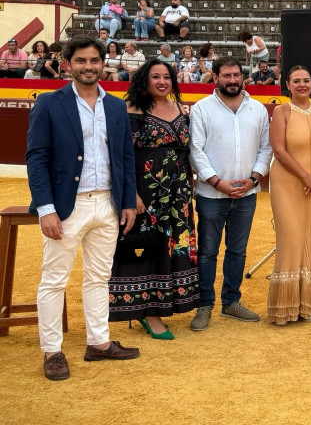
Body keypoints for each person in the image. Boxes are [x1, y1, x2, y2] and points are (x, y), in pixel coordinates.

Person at [26, 35, 140, 381]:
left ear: (103, 64)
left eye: (94, 60)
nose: (88, 67)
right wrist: (45, 208)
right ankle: (52, 350)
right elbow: (37, 157)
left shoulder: (116, 106)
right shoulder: (49, 103)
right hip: (66, 207)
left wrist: (127, 202)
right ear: (67, 64)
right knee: (54, 280)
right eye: (81, 61)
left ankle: (99, 343)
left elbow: (124, 157)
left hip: (106, 204)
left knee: (98, 278)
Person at [108, 60, 200, 339]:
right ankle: (149, 313)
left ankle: (163, 304)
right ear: (144, 82)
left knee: (173, 248)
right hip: (146, 194)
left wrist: (189, 181)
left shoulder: (179, 109)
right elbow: (123, 158)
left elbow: (184, 150)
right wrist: (131, 194)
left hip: (179, 195)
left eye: (167, 77)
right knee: (149, 248)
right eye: (155, 77)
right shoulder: (131, 111)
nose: (162, 81)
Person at [189, 57, 272, 331]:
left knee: (237, 251)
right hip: (211, 194)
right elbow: (196, 151)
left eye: (237, 75)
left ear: (243, 76)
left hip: (247, 193)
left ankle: (231, 302)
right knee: (208, 252)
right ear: (215, 77)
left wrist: (253, 179)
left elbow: (266, 148)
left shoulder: (258, 109)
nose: (233, 80)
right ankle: (204, 304)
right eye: (227, 75)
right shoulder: (202, 109)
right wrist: (216, 182)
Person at [267, 65, 311, 325]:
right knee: (292, 238)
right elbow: (279, 151)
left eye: (306, 80)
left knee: (310, 238)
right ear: (288, 84)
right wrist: (306, 177)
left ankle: (308, 304)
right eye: (296, 81)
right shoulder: (281, 111)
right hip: (288, 182)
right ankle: (285, 307)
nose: (302, 85)